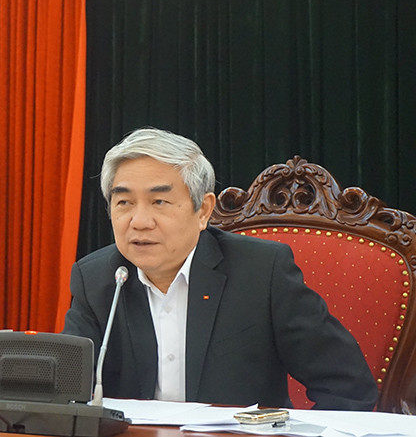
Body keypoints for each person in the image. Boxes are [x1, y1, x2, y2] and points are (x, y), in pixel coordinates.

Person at [62, 127, 378, 410]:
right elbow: (66, 394)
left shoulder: (261, 273)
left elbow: (348, 387)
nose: (140, 222)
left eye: (159, 202)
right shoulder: (97, 279)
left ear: (203, 211)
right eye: (124, 203)